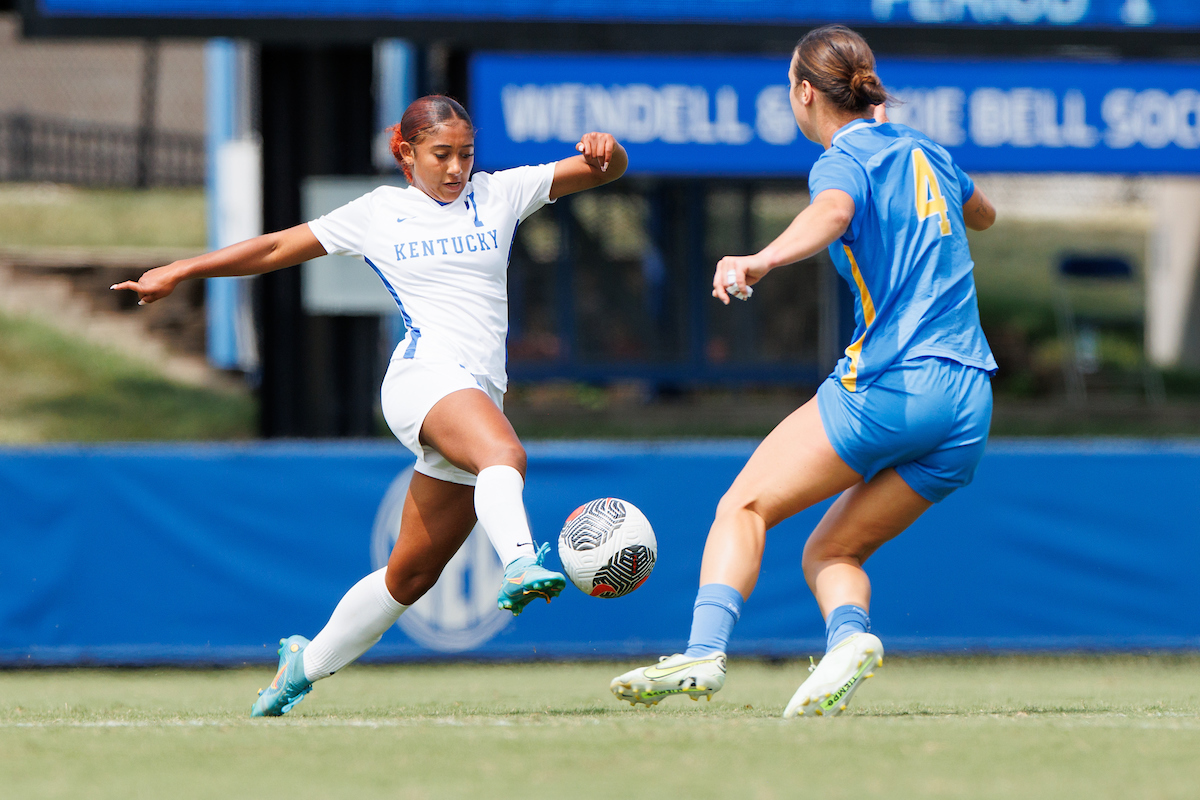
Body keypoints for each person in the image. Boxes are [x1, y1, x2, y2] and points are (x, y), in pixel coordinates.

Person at [113, 95, 628, 717]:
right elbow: (277, 249)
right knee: (505, 454)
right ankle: (519, 562)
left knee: (409, 577)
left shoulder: (502, 193)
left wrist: (607, 147)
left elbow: (607, 170)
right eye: (442, 154)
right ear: (406, 154)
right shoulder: (380, 212)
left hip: (479, 393)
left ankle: (301, 667)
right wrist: (181, 269)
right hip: (424, 380)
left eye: (466, 153)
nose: (457, 168)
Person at [610, 25, 997, 717]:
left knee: (743, 506)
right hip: (968, 404)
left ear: (803, 91)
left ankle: (702, 653)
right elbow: (984, 213)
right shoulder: (925, 149)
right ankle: (850, 643)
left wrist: (760, 259)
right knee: (831, 551)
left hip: (895, 384)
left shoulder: (841, 159)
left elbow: (834, 211)